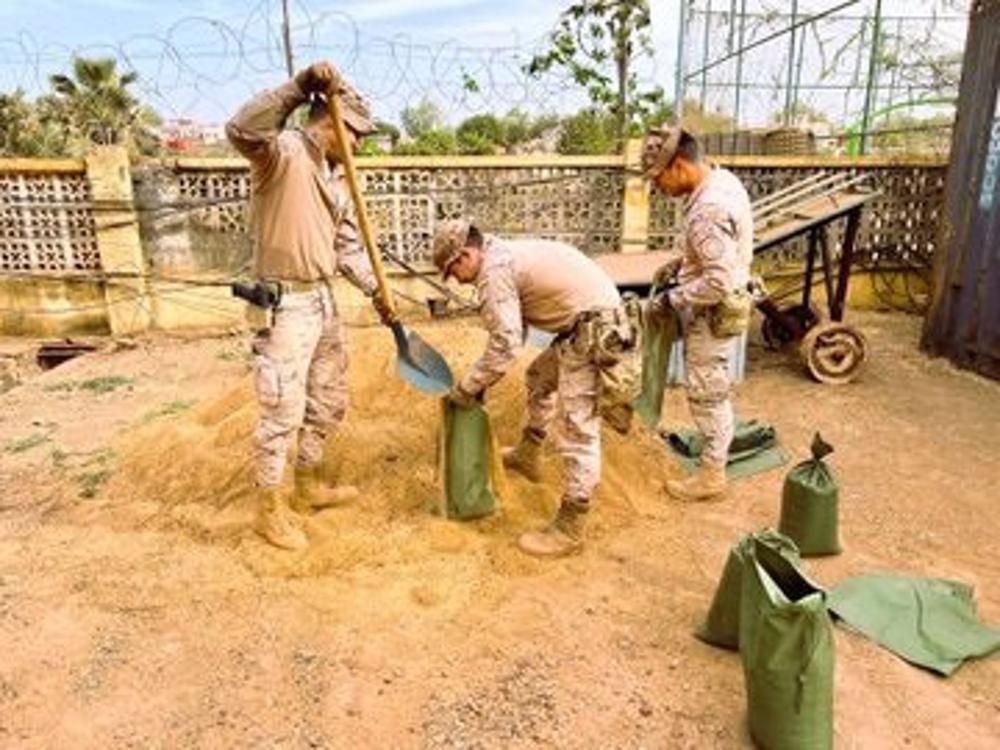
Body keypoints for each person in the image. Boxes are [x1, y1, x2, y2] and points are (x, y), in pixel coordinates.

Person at [226, 61, 391, 550]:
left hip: (322, 302)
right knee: (283, 409)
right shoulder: (283, 155)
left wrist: (376, 291)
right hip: (286, 305)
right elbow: (240, 129)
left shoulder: (336, 179)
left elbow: (345, 248)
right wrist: (298, 89)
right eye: (359, 136)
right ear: (337, 123)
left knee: (328, 395)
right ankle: (268, 509)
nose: (360, 146)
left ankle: (310, 482)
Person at [432, 220, 640, 558]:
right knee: (539, 379)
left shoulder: (493, 274)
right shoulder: (501, 253)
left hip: (593, 335)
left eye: (451, 270)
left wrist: (469, 387)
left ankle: (571, 527)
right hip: (592, 322)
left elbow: (506, 343)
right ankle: (529, 452)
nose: (454, 279)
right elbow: (517, 328)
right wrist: (487, 377)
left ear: (466, 254)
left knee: (577, 430)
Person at [642, 125, 754, 501]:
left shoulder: (708, 209)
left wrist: (670, 300)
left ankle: (711, 475)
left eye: (659, 178)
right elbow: (717, 253)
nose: (659, 188)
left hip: (712, 311)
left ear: (678, 165)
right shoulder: (721, 181)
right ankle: (713, 463)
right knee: (711, 389)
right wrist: (680, 263)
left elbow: (717, 281)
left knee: (708, 393)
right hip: (717, 301)